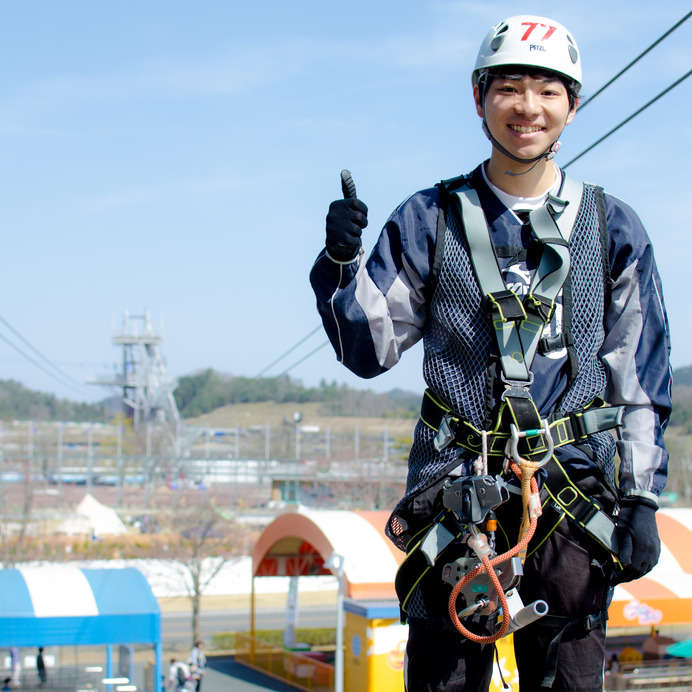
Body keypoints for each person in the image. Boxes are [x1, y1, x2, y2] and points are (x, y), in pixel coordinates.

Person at [310, 14, 672, 692]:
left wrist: (641, 497)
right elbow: (369, 348)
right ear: (479, 97)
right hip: (457, 497)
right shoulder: (430, 219)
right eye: (509, 87)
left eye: (548, 90)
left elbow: (637, 377)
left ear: (571, 106)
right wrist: (340, 263)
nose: (527, 107)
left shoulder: (614, 228)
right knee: (445, 679)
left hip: (571, 498)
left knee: (569, 678)